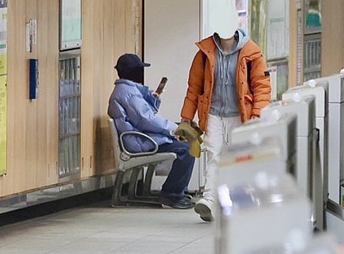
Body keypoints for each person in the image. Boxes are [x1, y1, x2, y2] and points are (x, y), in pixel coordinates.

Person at [181, 26, 271, 221]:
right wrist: (187, 116)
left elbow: (262, 87)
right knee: (215, 155)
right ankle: (209, 200)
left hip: (241, 115)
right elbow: (194, 87)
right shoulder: (204, 53)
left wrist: (257, 115)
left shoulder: (252, 52)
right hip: (213, 113)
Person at [108, 53, 195, 209]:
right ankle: (171, 195)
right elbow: (146, 119)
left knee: (182, 146)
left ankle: (179, 191)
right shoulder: (128, 93)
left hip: (141, 137)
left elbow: (144, 116)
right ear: (133, 72)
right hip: (140, 141)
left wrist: (152, 99)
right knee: (187, 150)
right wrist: (174, 129)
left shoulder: (126, 90)